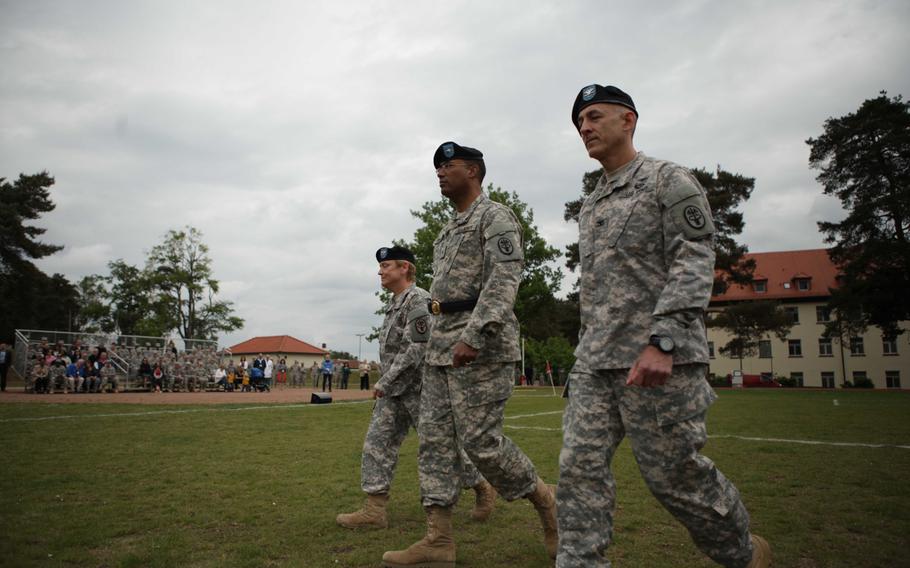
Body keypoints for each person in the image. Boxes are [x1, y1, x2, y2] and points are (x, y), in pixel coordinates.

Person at [556, 84, 770, 568]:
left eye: (593, 116)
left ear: (627, 120)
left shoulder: (666, 180)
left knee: (675, 479)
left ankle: (743, 554)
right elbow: (597, 291)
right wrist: (582, 355)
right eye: (578, 123)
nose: (584, 128)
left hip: (657, 360)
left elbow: (694, 257)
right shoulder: (592, 203)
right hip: (596, 363)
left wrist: (664, 339)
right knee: (577, 472)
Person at [382, 143, 557, 567]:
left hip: (482, 348)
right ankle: (438, 540)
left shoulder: (495, 217)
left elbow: (504, 279)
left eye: (449, 165)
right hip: (441, 347)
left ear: (473, 171)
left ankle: (548, 502)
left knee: (482, 443)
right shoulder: (446, 231)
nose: (440, 172)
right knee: (436, 445)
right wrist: (438, 343)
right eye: (437, 167)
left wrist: (475, 335)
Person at [338, 246, 497, 533]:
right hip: (394, 392)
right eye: (381, 267)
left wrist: (385, 380)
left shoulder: (418, 300)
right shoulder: (394, 302)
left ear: (405, 269)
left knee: (443, 450)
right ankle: (374, 510)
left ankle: (482, 486)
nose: (380, 271)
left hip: (421, 391)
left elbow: (417, 348)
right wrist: (389, 382)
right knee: (377, 445)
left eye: (386, 266)